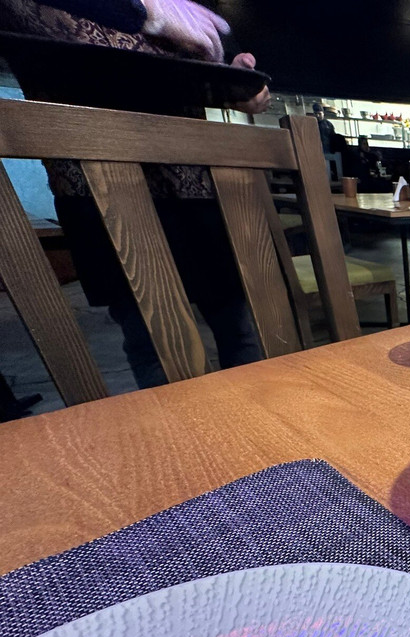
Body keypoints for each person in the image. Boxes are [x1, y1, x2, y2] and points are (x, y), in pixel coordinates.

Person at [1, 0, 271, 388]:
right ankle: (182, 428)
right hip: (96, 180)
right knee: (154, 343)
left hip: (191, 176)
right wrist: (148, 13)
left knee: (235, 328)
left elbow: (190, 60)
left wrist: (229, 81)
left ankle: (250, 422)